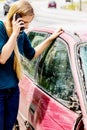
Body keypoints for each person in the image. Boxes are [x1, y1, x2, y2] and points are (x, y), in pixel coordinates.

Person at [0, 0, 63, 130]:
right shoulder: (1, 29)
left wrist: (50, 39)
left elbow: (32, 54)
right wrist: (15, 34)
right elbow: (2, 58)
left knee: (8, 127)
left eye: (29, 22)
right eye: (25, 22)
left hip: (13, 92)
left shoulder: (22, 35)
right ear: (15, 17)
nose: (27, 27)